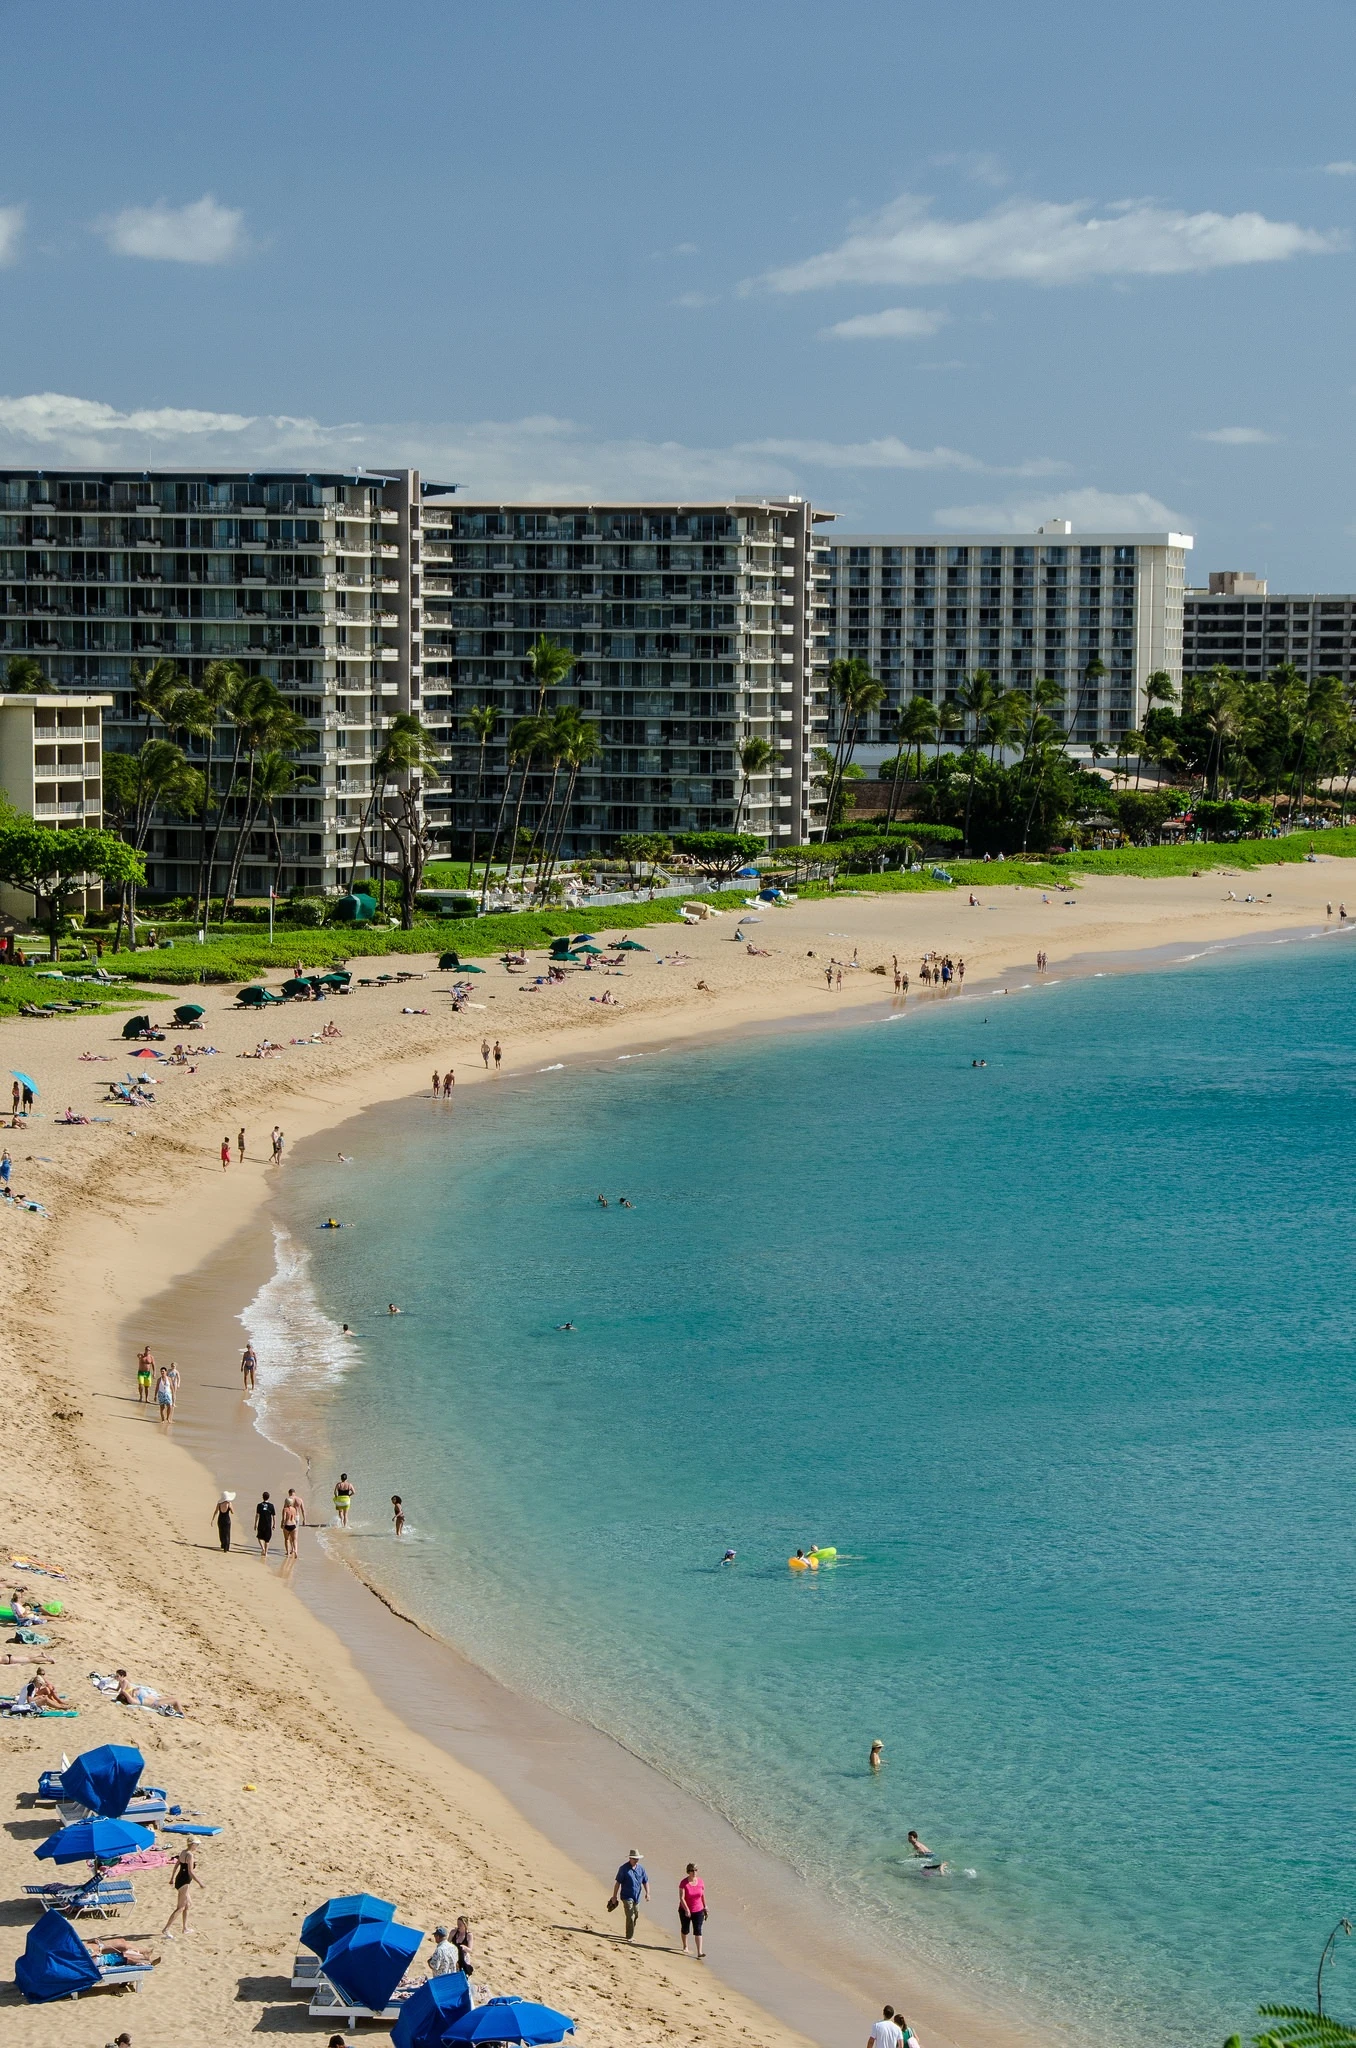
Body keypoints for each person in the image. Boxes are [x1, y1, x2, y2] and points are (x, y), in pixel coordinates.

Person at [161, 1845, 203, 1938]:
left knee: (187, 1905)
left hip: (179, 1880)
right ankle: (166, 1929)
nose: (197, 1846)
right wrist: (200, 1883)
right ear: (192, 1845)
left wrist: (172, 1878)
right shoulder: (190, 1855)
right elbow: (191, 1872)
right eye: (196, 1845)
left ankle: (185, 1928)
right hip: (184, 1882)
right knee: (180, 1907)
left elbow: (176, 1866)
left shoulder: (183, 1852)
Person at [609, 1849, 649, 1941]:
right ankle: (629, 1936)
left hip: (637, 1897)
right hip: (626, 1896)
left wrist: (647, 1893)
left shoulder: (641, 1869)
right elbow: (618, 1883)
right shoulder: (623, 1869)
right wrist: (614, 1896)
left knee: (636, 1915)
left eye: (637, 1859)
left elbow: (645, 1881)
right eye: (634, 1858)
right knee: (630, 1915)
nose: (636, 1860)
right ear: (630, 1858)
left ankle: (630, 1932)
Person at [678, 1862, 707, 1958]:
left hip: (698, 1910)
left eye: (695, 1870)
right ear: (688, 1872)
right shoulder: (684, 1883)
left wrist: (705, 1907)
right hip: (685, 1909)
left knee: (698, 1930)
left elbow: (702, 1895)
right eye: (692, 1870)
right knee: (685, 1929)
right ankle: (685, 1946)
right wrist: (686, 1909)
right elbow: (681, 1898)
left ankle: (699, 1952)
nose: (694, 1872)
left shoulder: (701, 1882)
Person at [281, 1487, 306, 1558]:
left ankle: (291, 1550)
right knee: (295, 1535)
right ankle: (295, 1550)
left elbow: (284, 1510)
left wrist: (282, 1522)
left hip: (288, 1517)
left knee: (288, 1536)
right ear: (294, 1492)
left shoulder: (288, 1500)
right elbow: (303, 1510)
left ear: (289, 1493)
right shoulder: (299, 1499)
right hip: (296, 1516)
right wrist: (304, 1519)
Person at [255, 1491, 277, 1559]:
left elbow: (257, 1515)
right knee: (267, 1539)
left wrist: (255, 1524)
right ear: (268, 1497)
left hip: (261, 1524)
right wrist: (274, 1524)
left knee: (259, 1537)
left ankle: (263, 1548)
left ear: (262, 1497)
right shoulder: (271, 1506)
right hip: (268, 1524)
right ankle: (266, 1552)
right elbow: (274, 1516)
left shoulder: (259, 1505)